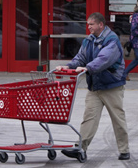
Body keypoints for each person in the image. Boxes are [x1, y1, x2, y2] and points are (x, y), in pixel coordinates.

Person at [55, 12, 130, 161]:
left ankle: (124, 150)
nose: (88, 27)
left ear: (100, 25)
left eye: (91, 24)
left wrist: (88, 68)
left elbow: (105, 59)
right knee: (89, 118)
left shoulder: (112, 40)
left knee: (118, 119)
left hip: (111, 86)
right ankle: (80, 148)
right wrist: (69, 66)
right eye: (88, 24)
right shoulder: (89, 40)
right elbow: (80, 57)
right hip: (95, 86)